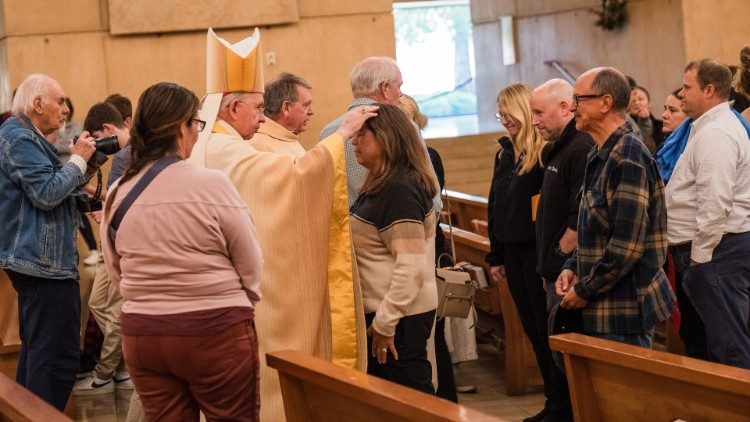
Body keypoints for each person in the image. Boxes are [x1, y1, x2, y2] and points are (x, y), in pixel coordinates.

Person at [188, 28, 377, 421]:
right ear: (232, 107)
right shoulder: (221, 148)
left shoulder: (213, 143)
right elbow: (293, 176)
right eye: (257, 109)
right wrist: (342, 133)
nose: (262, 118)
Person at [100, 82, 264, 420]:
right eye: (196, 124)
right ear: (180, 129)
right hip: (214, 330)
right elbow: (250, 261)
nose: (197, 134)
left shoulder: (118, 191)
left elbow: (116, 268)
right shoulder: (211, 184)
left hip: (144, 336)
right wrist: (238, 303)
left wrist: (149, 299)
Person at [556, 67, 676, 348]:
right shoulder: (600, 152)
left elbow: (626, 246)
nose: (572, 107)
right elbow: (594, 227)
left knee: (628, 393)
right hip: (604, 306)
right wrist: (572, 266)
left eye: (579, 99)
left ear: (605, 102)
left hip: (625, 310)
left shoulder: (628, 156)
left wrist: (585, 288)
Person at [0, 73, 97, 410]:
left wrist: (84, 168)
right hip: (43, 265)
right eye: (59, 101)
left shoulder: (29, 137)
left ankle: (27, 415)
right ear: (37, 103)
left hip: (44, 263)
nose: (65, 109)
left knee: (40, 351)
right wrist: (79, 159)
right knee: (56, 357)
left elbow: (57, 189)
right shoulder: (18, 138)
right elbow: (46, 194)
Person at [665, 59, 750, 369]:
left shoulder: (717, 134)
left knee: (730, 349)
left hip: (717, 254)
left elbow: (715, 202)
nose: (682, 93)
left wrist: (700, 258)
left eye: (688, 87)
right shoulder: (708, 127)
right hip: (712, 253)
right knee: (711, 348)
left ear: (709, 90)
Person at [350, 103, 438, 393]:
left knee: (411, 401)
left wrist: (385, 323)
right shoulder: (382, 182)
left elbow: (411, 266)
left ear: (386, 138)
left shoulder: (399, 188)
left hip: (399, 316)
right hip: (391, 312)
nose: (354, 140)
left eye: (362, 134)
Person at [530, 78, 593, 422]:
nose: (535, 120)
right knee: (552, 342)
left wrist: (559, 258)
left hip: (563, 270)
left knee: (564, 345)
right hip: (552, 267)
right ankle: (556, 407)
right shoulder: (560, 146)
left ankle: (567, 412)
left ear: (566, 107)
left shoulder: (580, 146)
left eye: (540, 112)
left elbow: (577, 215)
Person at [486, 83, 549, 415]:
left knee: (545, 328)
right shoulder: (505, 153)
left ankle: (560, 400)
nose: (504, 118)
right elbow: (495, 205)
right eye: (500, 112)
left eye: (507, 111)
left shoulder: (541, 153)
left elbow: (545, 211)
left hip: (535, 253)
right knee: (532, 330)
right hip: (512, 252)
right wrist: (495, 254)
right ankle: (553, 403)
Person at [399, 94, 461, 402]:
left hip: (427, 251)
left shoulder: (427, 156)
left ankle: (446, 400)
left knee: (433, 334)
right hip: (417, 250)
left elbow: (431, 207)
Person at [73, 102, 134, 395]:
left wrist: (85, 185)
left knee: (113, 310)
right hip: (117, 241)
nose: (97, 145)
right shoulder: (132, 151)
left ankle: (105, 373)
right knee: (101, 305)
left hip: (121, 243)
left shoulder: (125, 155)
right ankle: (120, 370)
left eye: (96, 138)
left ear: (107, 130)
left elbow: (122, 200)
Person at [249, 72, 312, 155]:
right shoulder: (257, 146)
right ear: (286, 108)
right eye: (306, 105)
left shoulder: (288, 137)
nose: (311, 112)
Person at [628, 85, 664, 152]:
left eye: (640, 99)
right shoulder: (625, 125)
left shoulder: (662, 125)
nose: (637, 103)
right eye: (633, 100)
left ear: (649, 103)